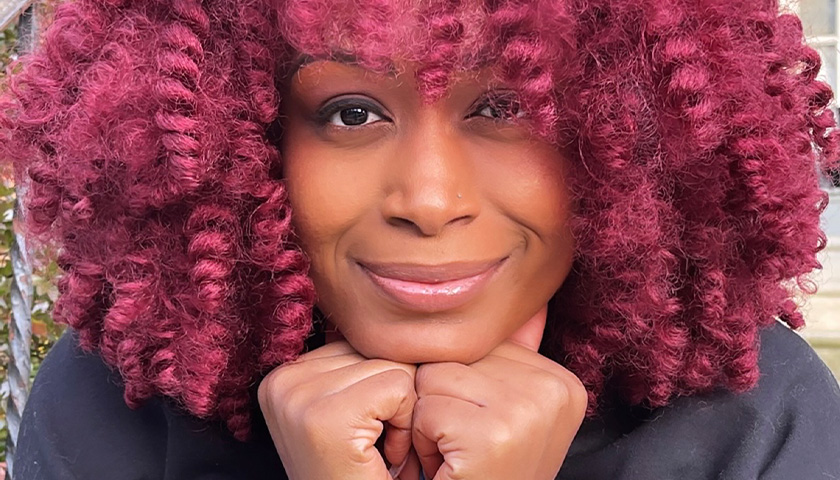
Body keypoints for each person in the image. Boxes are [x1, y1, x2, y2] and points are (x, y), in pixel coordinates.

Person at [2, 0, 839, 478]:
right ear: (242, 143)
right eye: (351, 113)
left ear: (631, 136)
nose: (430, 201)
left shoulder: (755, 416)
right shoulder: (111, 413)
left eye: (504, 108)